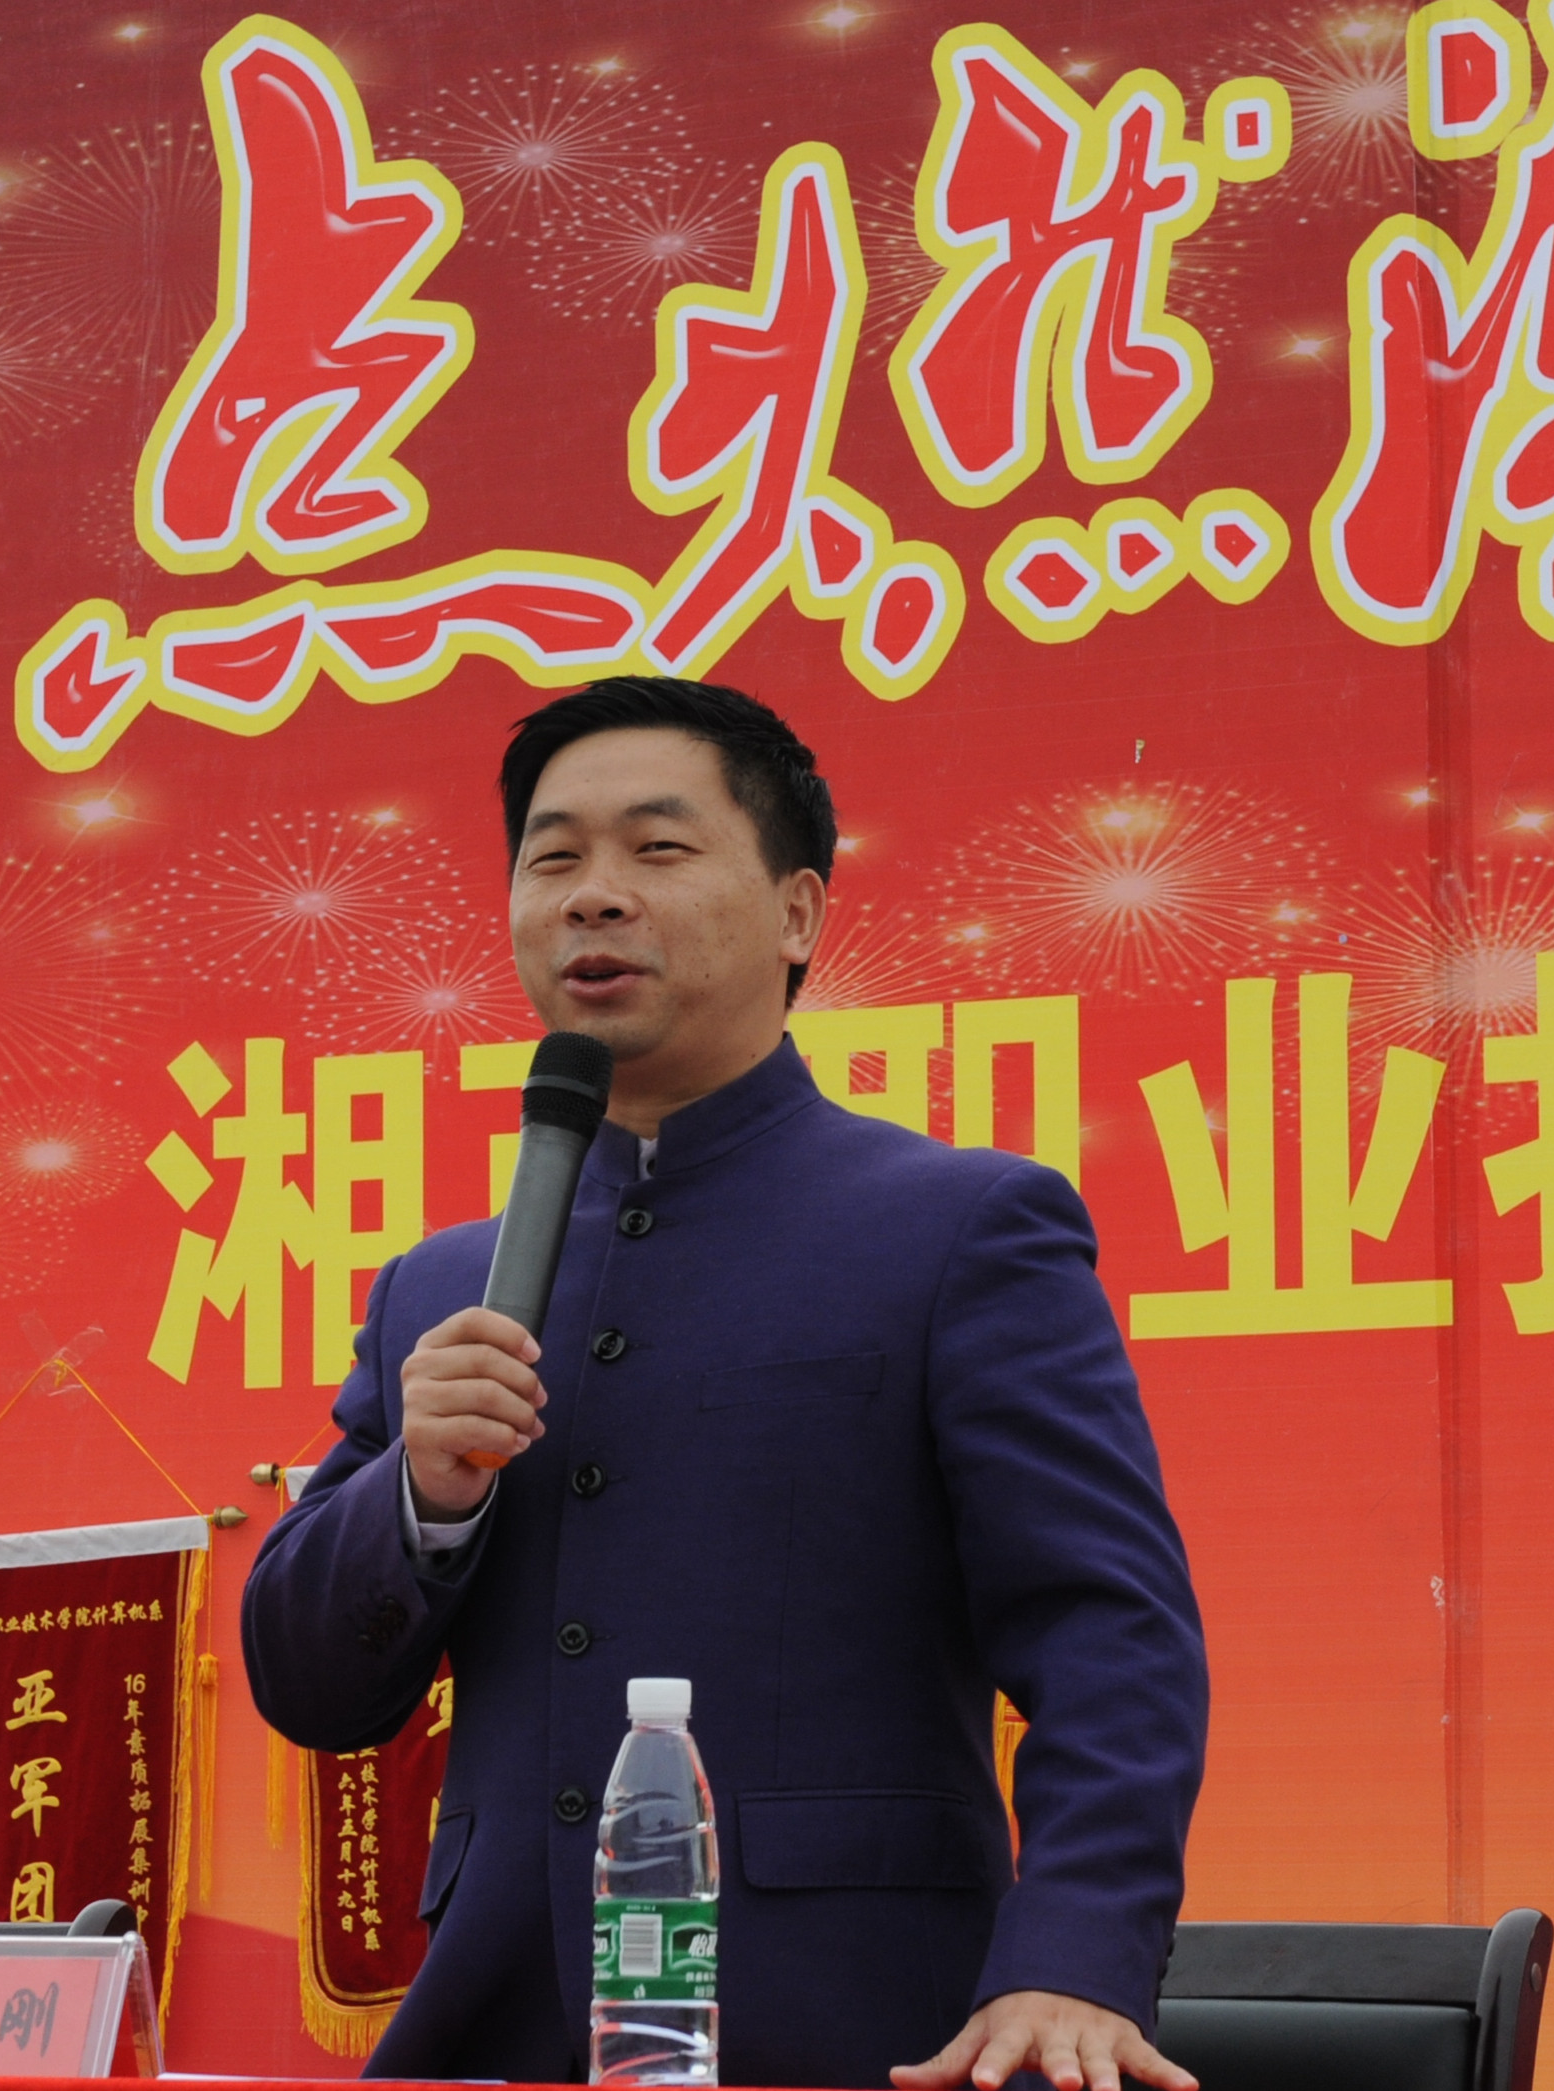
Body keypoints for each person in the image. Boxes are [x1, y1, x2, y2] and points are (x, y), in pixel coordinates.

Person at [241, 677, 1208, 2091]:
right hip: (504, 2028)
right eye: (553, 859)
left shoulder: (957, 1229)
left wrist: (1073, 1957)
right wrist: (421, 1495)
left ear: (799, 912)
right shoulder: (439, 1289)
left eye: (658, 848)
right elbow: (310, 1686)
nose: (593, 895)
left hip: (854, 2030)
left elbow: (1108, 1632)